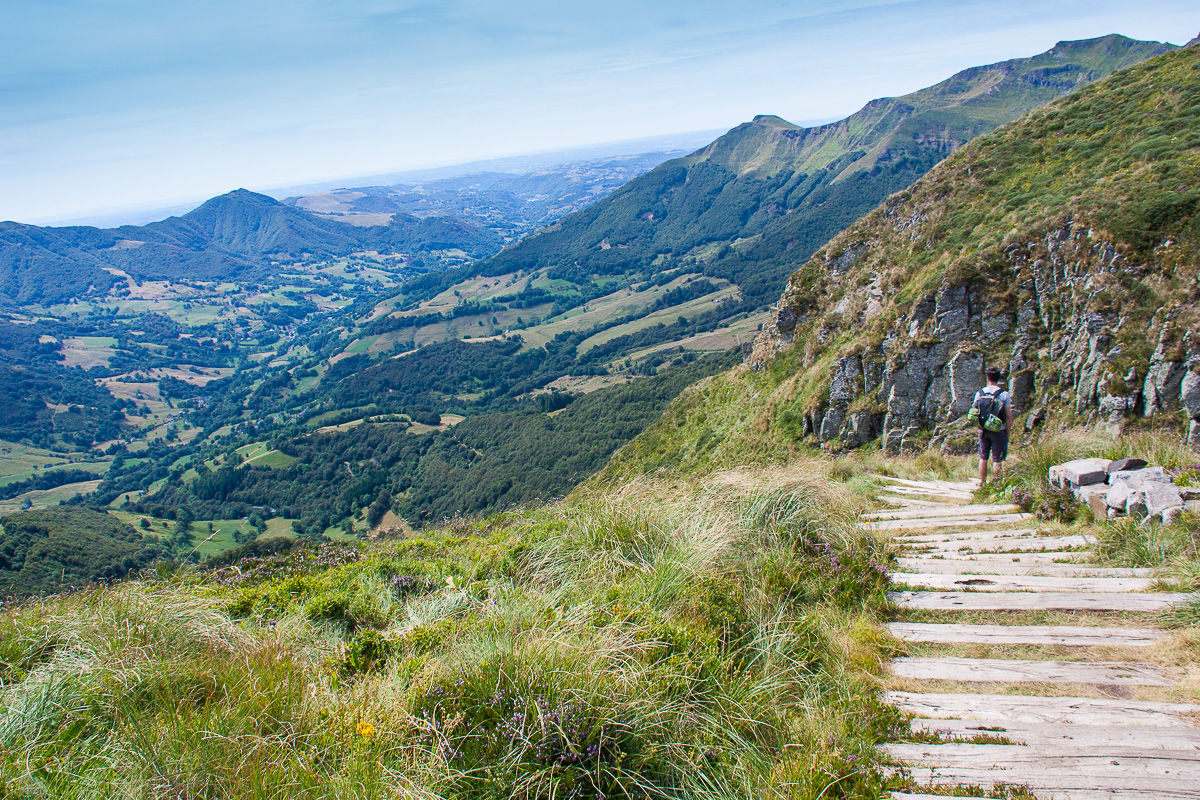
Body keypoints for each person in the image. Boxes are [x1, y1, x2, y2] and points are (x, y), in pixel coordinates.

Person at [971, 366, 1013, 487]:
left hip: (983, 430)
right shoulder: (1004, 394)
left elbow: (974, 412)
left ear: (987, 377)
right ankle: (996, 484)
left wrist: (979, 426)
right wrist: (1008, 431)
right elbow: (1009, 416)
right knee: (997, 459)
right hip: (999, 430)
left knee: (983, 457)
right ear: (998, 378)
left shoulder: (980, 393)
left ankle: (982, 482)